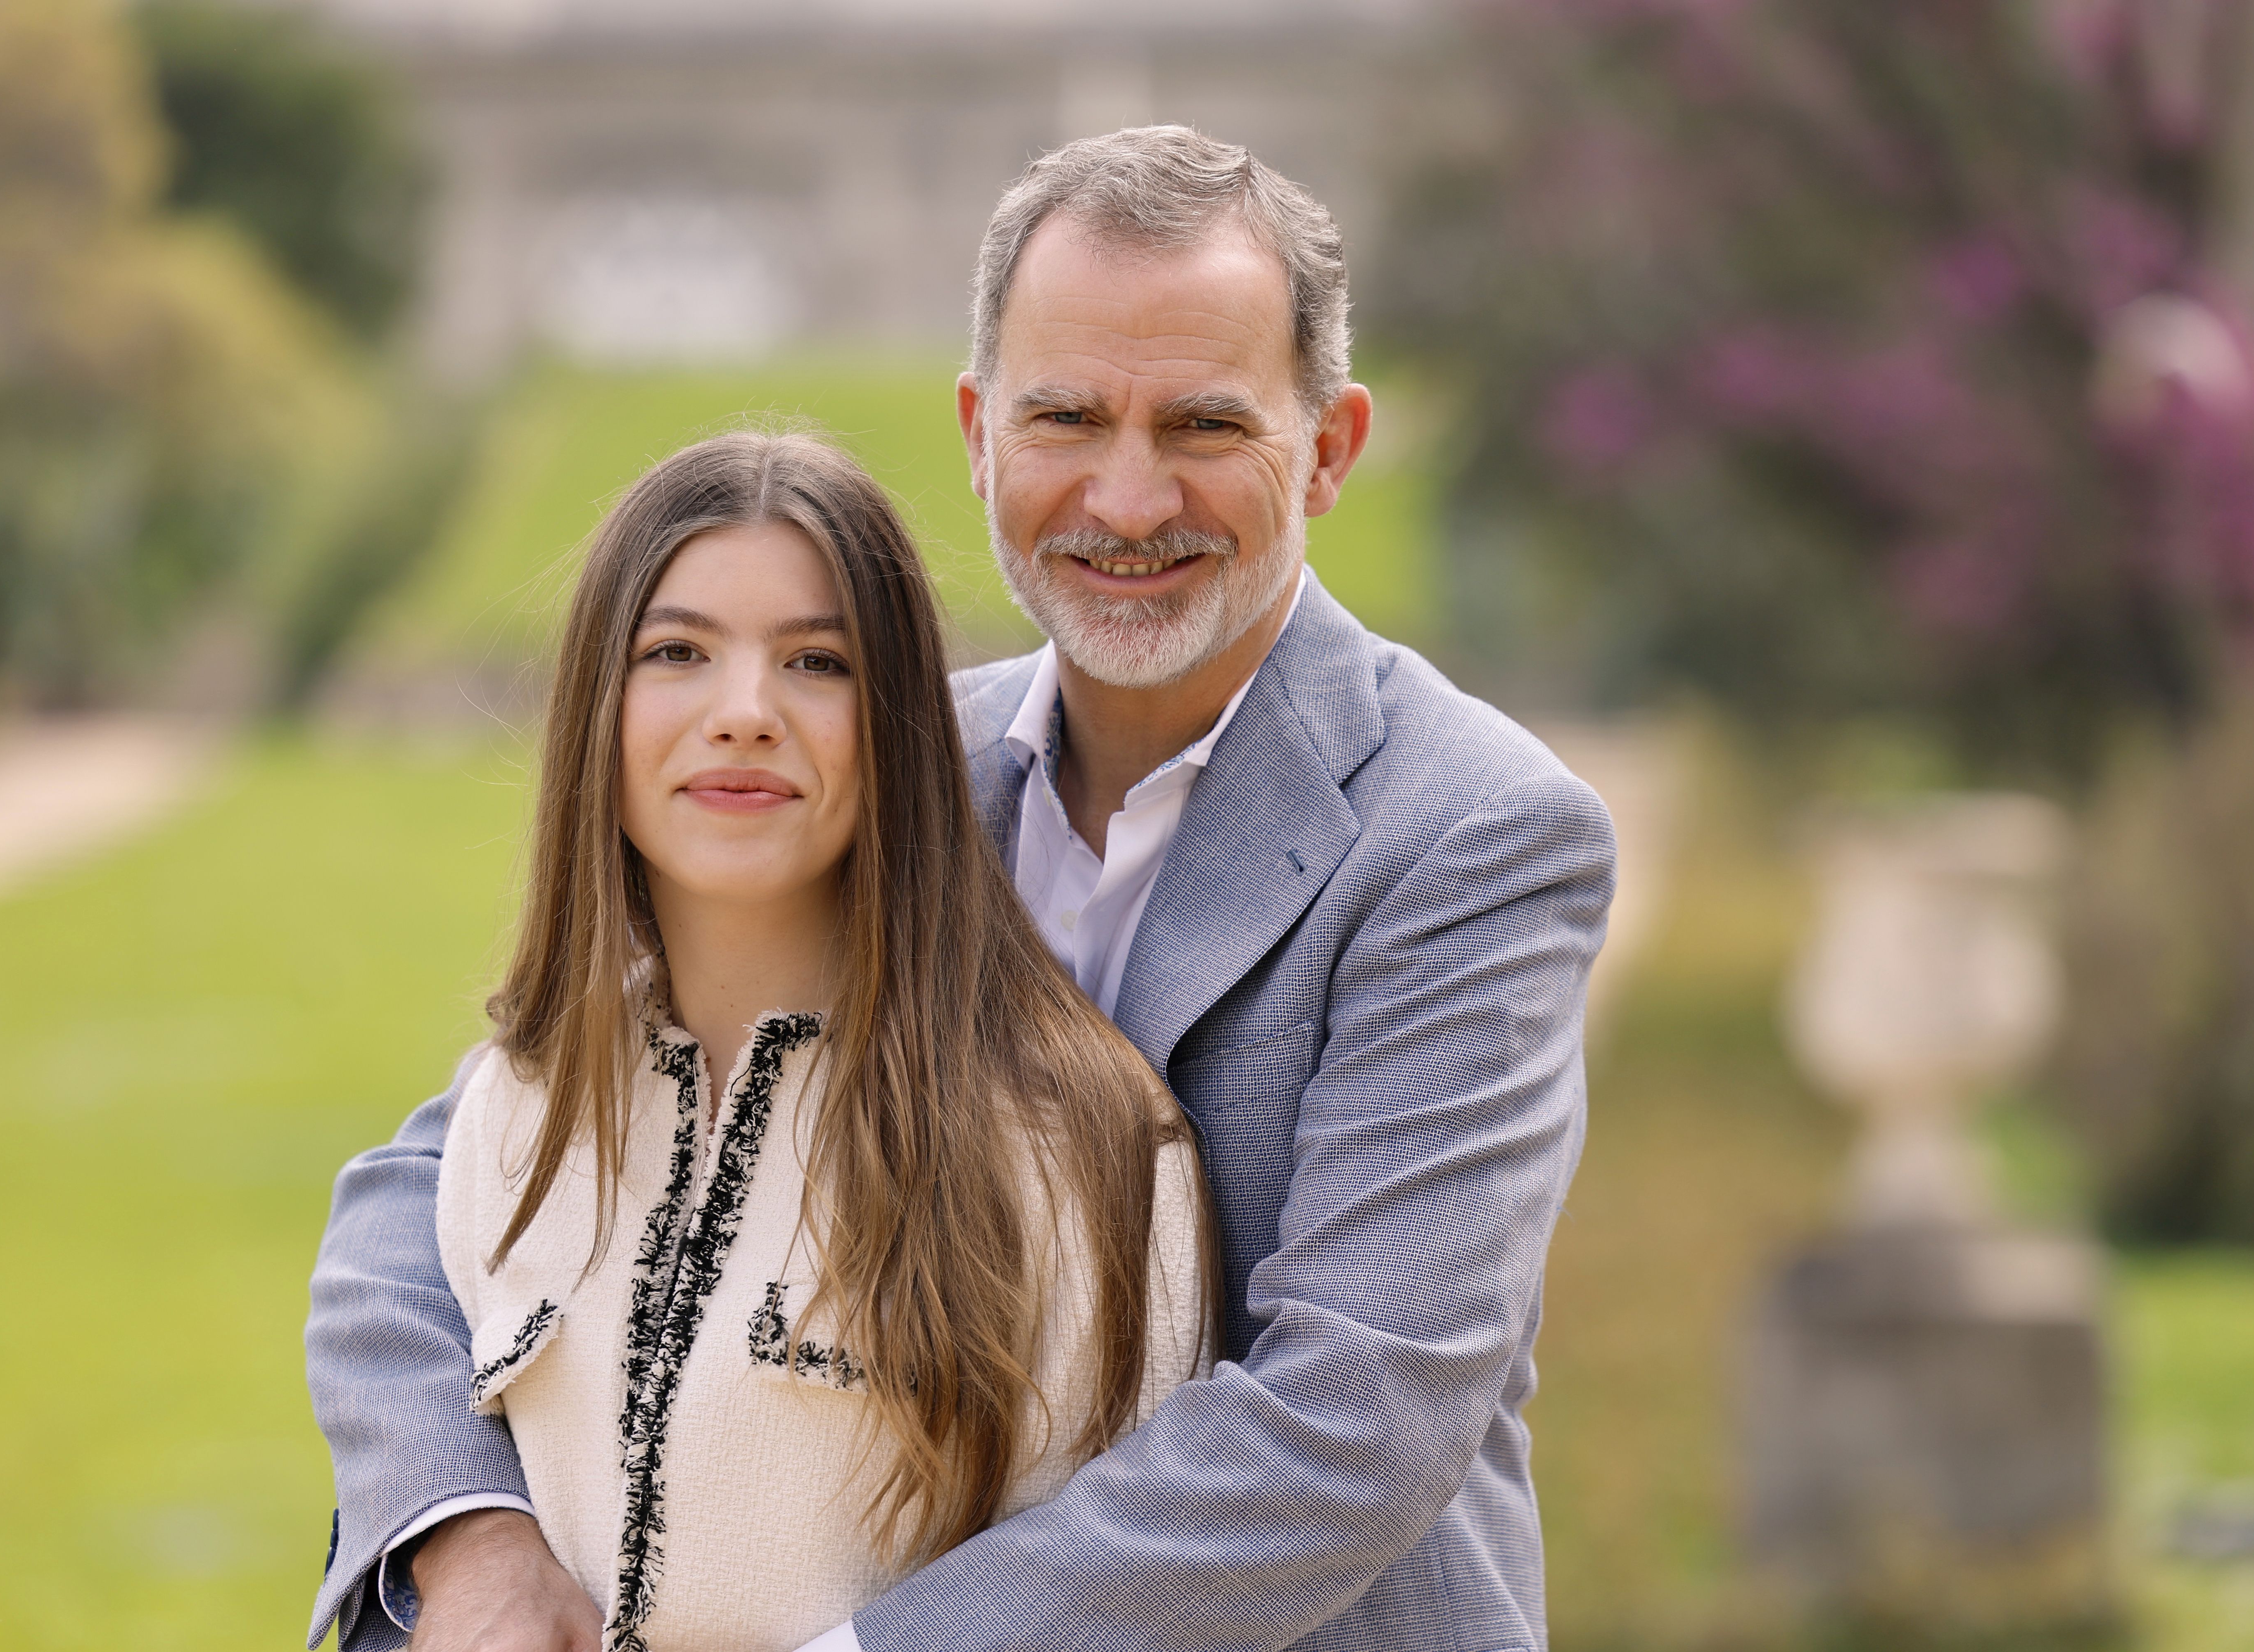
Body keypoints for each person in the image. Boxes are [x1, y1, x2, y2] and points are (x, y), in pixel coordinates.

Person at [309, 126, 1617, 1652]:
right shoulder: (895, 754)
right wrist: (463, 1540)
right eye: (1066, 417)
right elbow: (445, 1173)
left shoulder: (1473, 834)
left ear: (1327, 449)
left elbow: (1350, 1422)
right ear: (982, 431)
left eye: (1203, 425)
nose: (1128, 501)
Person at [397, 429, 1213, 1651]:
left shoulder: (1082, 1142)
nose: (744, 715)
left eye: (816, 663)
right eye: (676, 652)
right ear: (596, 715)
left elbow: (1125, 1607)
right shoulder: (514, 1104)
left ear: (896, 725)